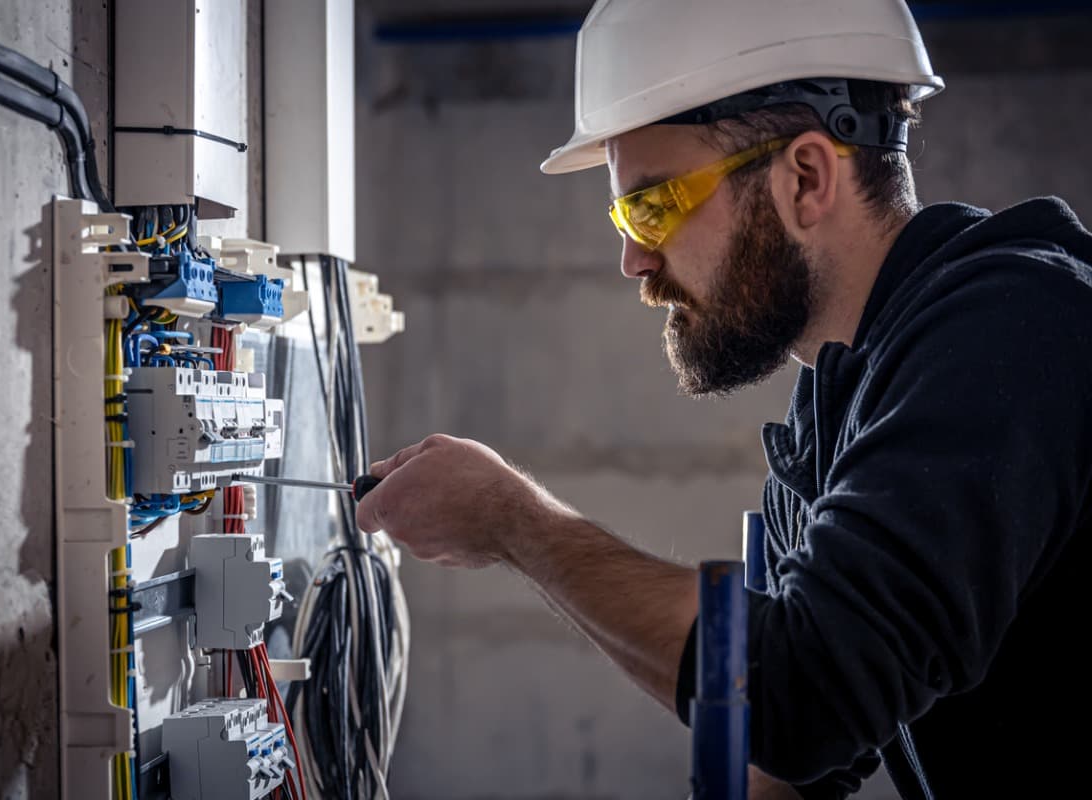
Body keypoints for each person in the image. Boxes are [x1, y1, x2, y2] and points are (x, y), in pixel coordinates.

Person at [355, 1, 1092, 797]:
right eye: (624, 214)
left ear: (806, 178)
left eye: (655, 206)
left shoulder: (1016, 329)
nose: (635, 260)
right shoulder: (840, 406)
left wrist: (516, 522)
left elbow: (805, 690)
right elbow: (785, 752)